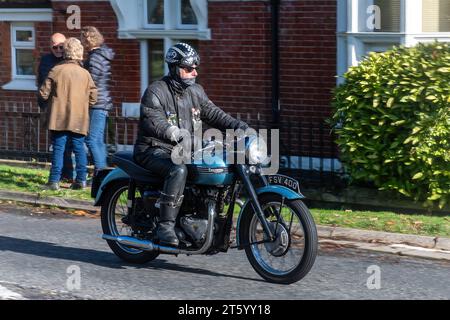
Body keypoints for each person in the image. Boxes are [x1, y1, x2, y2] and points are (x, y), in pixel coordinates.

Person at [133, 43, 248, 247]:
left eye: (196, 68)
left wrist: (238, 126)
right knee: (178, 170)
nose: (194, 72)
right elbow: (153, 120)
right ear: (175, 68)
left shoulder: (195, 91)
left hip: (185, 149)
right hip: (154, 149)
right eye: (189, 68)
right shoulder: (156, 91)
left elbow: (213, 113)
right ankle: (165, 226)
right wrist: (173, 132)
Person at [39, 38, 98, 190]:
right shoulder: (85, 74)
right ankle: (81, 180)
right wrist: (83, 105)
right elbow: (94, 98)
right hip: (78, 118)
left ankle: (54, 181)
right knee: (79, 148)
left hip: (58, 117)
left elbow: (43, 94)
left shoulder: (56, 70)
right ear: (79, 52)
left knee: (58, 148)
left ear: (65, 52)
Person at [37, 33, 75, 182]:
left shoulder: (71, 60)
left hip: (70, 107)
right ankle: (59, 176)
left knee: (70, 144)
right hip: (53, 107)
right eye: (55, 47)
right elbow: (43, 82)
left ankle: (68, 175)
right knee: (58, 143)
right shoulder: (47, 60)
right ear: (50, 46)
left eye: (61, 46)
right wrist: (44, 104)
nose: (58, 49)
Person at [81, 26, 115, 176]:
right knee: (98, 141)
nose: (82, 42)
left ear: (88, 39)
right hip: (102, 102)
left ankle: (101, 174)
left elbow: (92, 82)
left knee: (92, 140)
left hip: (97, 103)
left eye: (83, 39)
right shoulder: (102, 55)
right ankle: (102, 172)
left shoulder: (95, 57)